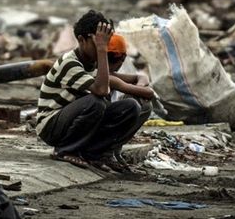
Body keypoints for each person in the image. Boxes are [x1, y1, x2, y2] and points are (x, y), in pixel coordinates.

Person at [36, 10, 142, 171]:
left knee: (131, 107)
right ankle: (64, 151)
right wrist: (101, 50)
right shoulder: (69, 63)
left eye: (106, 42)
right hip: (51, 125)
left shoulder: (93, 63)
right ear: (81, 40)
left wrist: (100, 51)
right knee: (96, 102)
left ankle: (94, 154)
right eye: (98, 42)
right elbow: (101, 91)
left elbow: (111, 85)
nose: (104, 47)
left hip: (72, 120)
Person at [106, 34, 154, 170]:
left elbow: (141, 77)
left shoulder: (110, 73)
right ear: (122, 59)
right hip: (96, 125)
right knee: (135, 105)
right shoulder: (104, 75)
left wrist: (137, 89)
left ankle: (114, 150)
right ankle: (107, 151)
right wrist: (139, 91)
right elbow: (149, 92)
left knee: (141, 102)